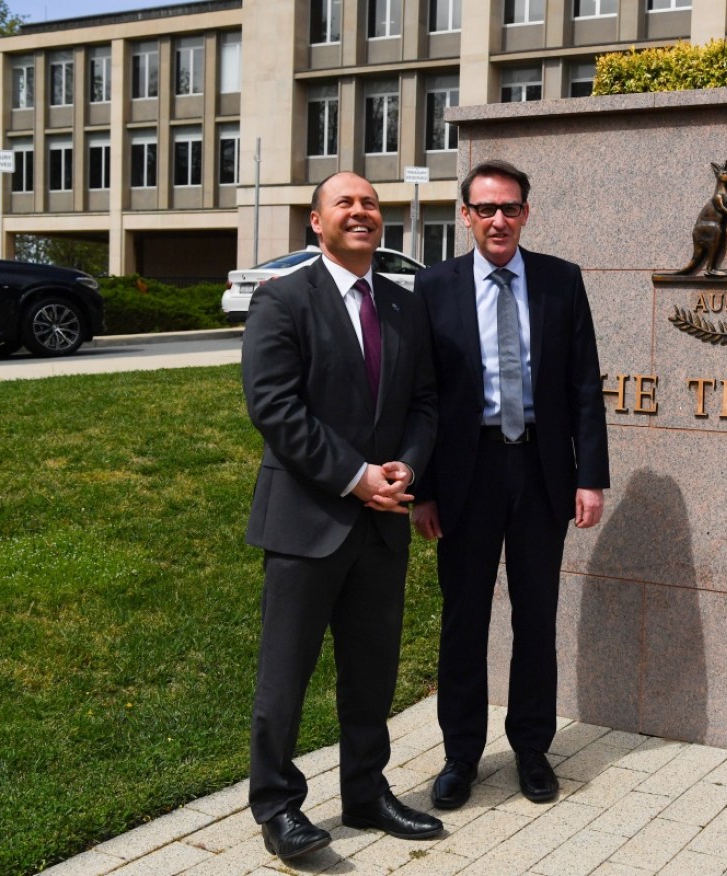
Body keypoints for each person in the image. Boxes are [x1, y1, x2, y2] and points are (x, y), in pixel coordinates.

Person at [241, 171, 441, 861]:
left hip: (383, 523)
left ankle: (366, 792)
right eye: (345, 203)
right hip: (306, 521)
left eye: (370, 203)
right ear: (315, 223)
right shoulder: (282, 300)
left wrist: (406, 469)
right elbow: (274, 408)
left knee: (372, 673)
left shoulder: (402, 305)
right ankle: (277, 808)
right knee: (284, 676)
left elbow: (423, 402)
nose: (361, 212)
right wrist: (358, 478)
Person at [411, 159, 610, 810]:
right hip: (465, 477)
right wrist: (425, 489)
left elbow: (584, 385)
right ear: (465, 215)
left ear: (526, 212)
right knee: (463, 619)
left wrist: (590, 478)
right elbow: (424, 396)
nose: (499, 220)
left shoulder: (560, 281)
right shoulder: (434, 287)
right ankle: (460, 757)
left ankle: (531, 750)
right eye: (486, 208)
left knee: (536, 616)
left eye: (511, 208)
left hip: (540, 472)